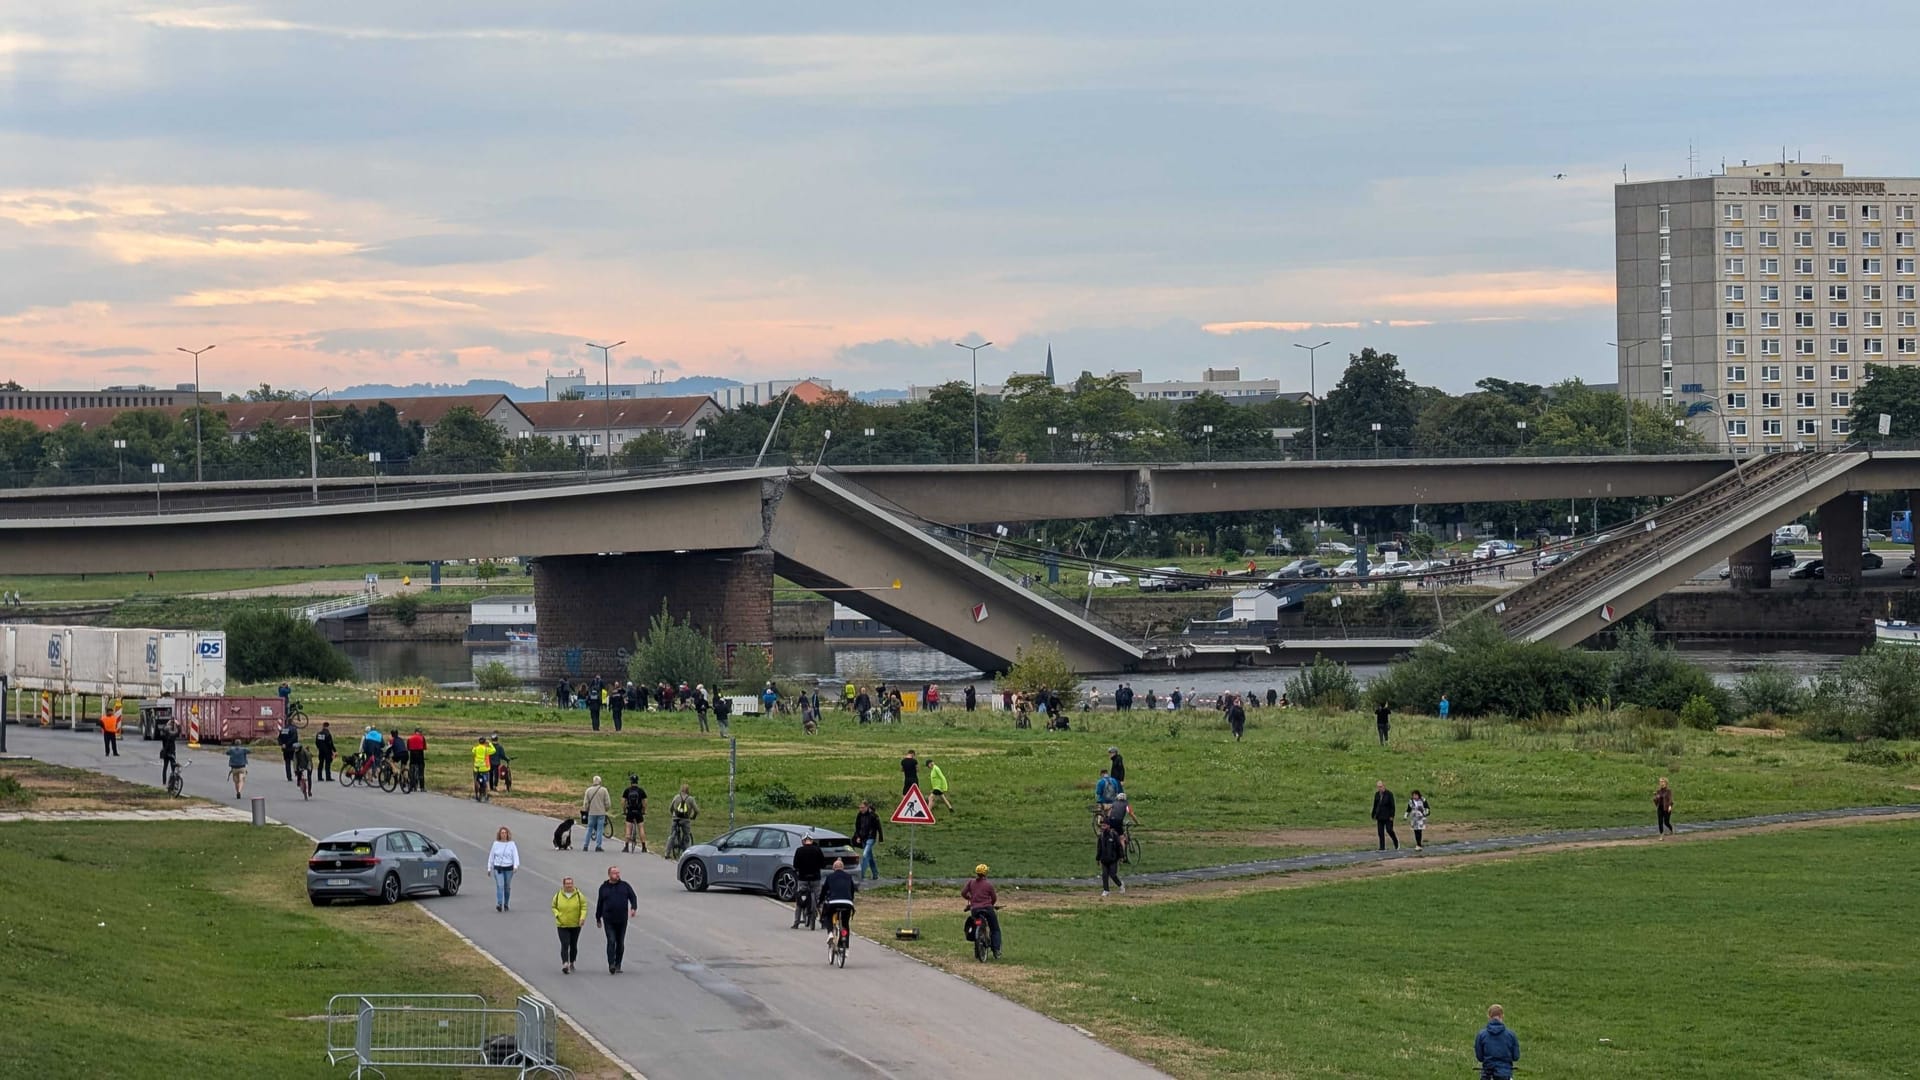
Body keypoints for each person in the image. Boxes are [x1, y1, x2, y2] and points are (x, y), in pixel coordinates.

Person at [595, 866, 638, 974]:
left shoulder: (625, 886)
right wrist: (598, 918)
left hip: (622, 919)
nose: (617, 875)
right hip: (608, 919)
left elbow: (633, 897)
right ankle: (611, 964)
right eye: (614, 873)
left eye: (618, 873)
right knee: (611, 940)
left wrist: (633, 908)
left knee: (620, 942)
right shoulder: (604, 888)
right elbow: (599, 903)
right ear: (609, 874)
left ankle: (618, 963)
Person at [961, 864, 1001, 959]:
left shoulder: (971, 882)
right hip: (987, 908)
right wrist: (991, 904)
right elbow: (994, 898)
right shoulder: (988, 885)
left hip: (975, 910)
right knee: (995, 928)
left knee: (976, 924)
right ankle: (996, 949)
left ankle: (977, 946)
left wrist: (970, 898)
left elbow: (963, 893)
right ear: (986, 873)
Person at [1474, 1004, 1521, 1080]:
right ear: (1502, 1016)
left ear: (1489, 1017)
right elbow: (1516, 1057)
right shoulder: (1511, 1035)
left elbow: (1480, 1057)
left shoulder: (1481, 1035)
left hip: (1487, 1074)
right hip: (1505, 1074)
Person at [819, 857, 858, 943]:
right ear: (843, 868)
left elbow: (824, 890)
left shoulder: (830, 877)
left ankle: (830, 933)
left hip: (833, 902)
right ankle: (845, 947)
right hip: (847, 903)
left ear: (833, 868)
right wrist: (851, 900)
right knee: (845, 923)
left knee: (828, 916)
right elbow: (852, 891)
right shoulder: (848, 877)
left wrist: (820, 901)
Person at [552, 876, 586, 973]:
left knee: (573, 944)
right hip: (562, 924)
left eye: (570, 883)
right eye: (567, 883)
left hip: (575, 924)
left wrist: (582, 918)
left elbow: (584, 906)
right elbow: (553, 906)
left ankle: (572, 962)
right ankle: (565, 963)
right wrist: (557, 915)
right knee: (565, 943)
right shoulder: (558, 895)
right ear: (564, 885)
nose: (569, 885)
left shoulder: (579, 895)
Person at [791, 835, 825, 929]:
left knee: (800, 901)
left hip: (803, 878)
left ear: (803, 841)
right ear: (812, 841)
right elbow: (823, 864)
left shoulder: (799, 850)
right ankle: (823, 921)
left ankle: (796, 922)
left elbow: (795, 865)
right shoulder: (818, 850)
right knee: (819, 900)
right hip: (815, 878)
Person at [488, 826, 521, 912]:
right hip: (498, 868)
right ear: (499, 834)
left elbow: (515, 856)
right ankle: (499, 903)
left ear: (507, 834)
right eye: (502, 833)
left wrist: (515, 866)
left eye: (505, 833)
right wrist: (489, 867)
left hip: (508, 868)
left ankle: (506, 903)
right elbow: (491, 856)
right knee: (500, 885)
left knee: (507, 886)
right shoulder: (495, 844)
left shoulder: (512, 844)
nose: (503, 834)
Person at [853, 799, 883, 880]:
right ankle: (875, 874)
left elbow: (879, 827)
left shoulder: (873, 816)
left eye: (862, 807)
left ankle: (860, 875)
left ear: (867, 807)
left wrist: (880, 839)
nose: (861, 809)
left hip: (870, 838)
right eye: (860, 808)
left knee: (865, 855)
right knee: (870, 857)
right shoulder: (859, 815)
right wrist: (858, 836)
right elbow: (857, 826)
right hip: (863, 838)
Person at [582, 775, 612, 853]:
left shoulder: (588, 790)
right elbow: (607, 802)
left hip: (591, 813)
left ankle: (586, 845)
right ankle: (598, 846)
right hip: (601, 813)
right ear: (600, 782)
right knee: (600, 829)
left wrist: (587, 810)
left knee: (589, 828)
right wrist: (606, 809)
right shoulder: (604, 790)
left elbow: (585, 803)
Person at [1096, 818, 1126, 897]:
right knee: (1104, 875)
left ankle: (1120, 885)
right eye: (1102, 826)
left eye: (1104, 825)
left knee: (1113, 874)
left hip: (1113, 859)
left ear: (1108, 826)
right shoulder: (1101, 836)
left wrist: (1121, 857)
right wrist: (1098, 858)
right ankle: (1106, 890)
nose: (1103, 827)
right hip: (1104, 859)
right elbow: (1099, 848)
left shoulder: (1114, 835)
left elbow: (1119, 846)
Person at [621, 774, 648, 854]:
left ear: (631, 782)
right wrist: (643, 810)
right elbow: (645, 802)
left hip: (630, 811)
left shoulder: (627, 790)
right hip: (638, 812)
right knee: (641, 828)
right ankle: (644, 847)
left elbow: (623, 801)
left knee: (628, 828)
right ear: (637, 781)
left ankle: (626, 847)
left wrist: (624, 810)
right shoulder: (641, 791)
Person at [1371, 780, 1400, 851]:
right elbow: (1375, 805)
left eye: (1381, 786)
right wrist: (1373, 814)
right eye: (1378, 787)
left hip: (1388, 816)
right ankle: (1382, 847)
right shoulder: (1377, 794)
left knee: (1389, 830)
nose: (1379, 788)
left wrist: (1392, 816)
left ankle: (1396, 842)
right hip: (1379, 816)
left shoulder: (1389, 794)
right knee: (1380, 832)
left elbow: (1392, 806)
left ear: (1384, 786)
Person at [158, 718, 180, 785]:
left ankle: (164, 782)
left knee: (165, 768)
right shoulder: (172, 736)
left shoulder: (163, 736)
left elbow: (162, 730)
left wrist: (167, 724)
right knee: (173, 768)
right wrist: (178, 724)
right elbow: (178, 732)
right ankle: (172, 782)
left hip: (165, 753)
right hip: (172, 753)